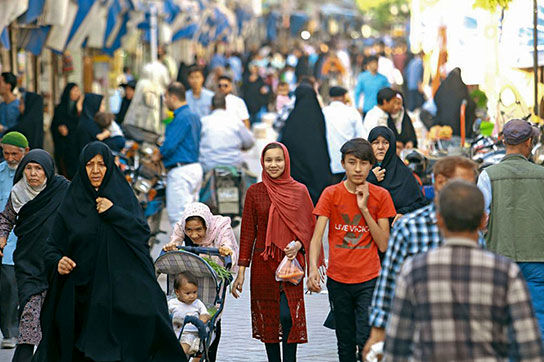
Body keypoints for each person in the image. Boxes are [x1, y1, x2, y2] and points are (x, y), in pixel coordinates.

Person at [33, 142, 186, 362]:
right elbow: (51, 247)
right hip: (81, 288)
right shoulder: (71, 201)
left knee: (149, 314)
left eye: (101, 165)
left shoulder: (121, 196)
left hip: (120, 283)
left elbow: (141, 233)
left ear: (110, 167)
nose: (95, 171)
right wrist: (58, 261)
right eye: (89, 165)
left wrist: (114, 212)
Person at [383, 180, 544, 361]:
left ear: (439, 220)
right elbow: (530, 349)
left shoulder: (413, 271)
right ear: (483, 220)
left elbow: (396, 347)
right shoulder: (506, 273)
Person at [363, 156, 479, 358]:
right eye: (463, 186)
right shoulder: (410, 227)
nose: (468, 195)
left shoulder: (473, 230)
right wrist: (377, 334)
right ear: (440, 182)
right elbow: (389, 281)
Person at [307, 138, 396, 362]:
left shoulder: (381, 196)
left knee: (367, 341)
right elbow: (317, 236)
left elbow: (384, 243)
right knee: (345, 343)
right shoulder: (331, 194)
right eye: (352, 162)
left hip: (369, 279)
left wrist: (364, 208)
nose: (358, 169)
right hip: (339, 279)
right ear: (343, 164)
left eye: (364, 163)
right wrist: (312, 269)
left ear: (371, 165)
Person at [232, 142, 316, 362]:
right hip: (263, 263)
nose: (273, 164)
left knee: (288, 316)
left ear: (286, 161)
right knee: (269, 319)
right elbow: (248, 232)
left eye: (278, 159)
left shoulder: (299, 191)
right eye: (268, 160)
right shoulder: (255, 192)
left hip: (291, 262)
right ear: (262, 162)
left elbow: (310, 227)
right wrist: (241, 272)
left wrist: (298, 244)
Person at [477, 118, 544, 340]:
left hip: (499, 255)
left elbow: (480, 219)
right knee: (538, 319)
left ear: (503, 141)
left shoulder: (488, 175)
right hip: (537, 257)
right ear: (529, 142)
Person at [0, 149, 69, 361]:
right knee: (29, 310)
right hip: (28, 262)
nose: (33, 173)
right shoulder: (18, 192)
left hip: (56, 263)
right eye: (28, 168)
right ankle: (23, 354)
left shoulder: (63, 189)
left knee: (53, 312)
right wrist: (2, 237)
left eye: (38, 168)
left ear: (47, 170)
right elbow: (6, 218)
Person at [163, 202, 238, 362]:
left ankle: (210, 355)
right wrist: (172, 246)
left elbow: (227, 245)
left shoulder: (220, 226)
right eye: (189, 230)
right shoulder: (180, 225)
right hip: (189, 272)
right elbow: (174, 241)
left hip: (212, 275)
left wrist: (224, 249)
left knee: (213, 321)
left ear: (207, 225)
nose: (194, 235)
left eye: (199, 229)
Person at [153, 82, 202, 226]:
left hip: (181, 172)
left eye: (166, 97)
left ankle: (183, 249)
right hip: (193, 168)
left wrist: (157, 155)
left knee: (179, 219)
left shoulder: (181, 118)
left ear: (173, 97)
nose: (165, 101)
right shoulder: (194, 116)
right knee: (192, 218)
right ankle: (193, 248)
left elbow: (169, 146)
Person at [280, 83, 332, 205]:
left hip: (296, 173)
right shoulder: (318, 115)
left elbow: (286, 140)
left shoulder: (292, 118)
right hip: (317, 169)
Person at [0, 133, 28, 350]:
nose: (10, 158)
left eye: (14, 153)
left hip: (22, 237)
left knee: (11, 283)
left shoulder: (33, 173)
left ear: (24, 152)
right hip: (2, 236)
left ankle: (11, 331)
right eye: (6, 153)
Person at [367, 127, 427, 217]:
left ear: (392, 146)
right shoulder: (362, 168)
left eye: (385, 143)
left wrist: (403, 213)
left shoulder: (403, 172)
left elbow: (420, 203)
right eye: (376, 142)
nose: (380, 147)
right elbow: (346, 191)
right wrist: (369, 178)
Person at [198, 94, 254, 173]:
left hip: (209, 166)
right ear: (225, 107)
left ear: (211, 107)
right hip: (234, 165)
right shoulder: (235, 121)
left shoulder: (203, 122)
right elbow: (249, 142)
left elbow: (196, 143)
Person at [322, 86, 364, 184]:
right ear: (345, 96)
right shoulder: (352, 112)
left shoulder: (324, 112)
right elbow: (361, 136)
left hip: (328, 161)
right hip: (350, 161)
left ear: (330, 97)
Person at [168, 272, 210, 360]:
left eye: (194, 292)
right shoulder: (172, 303)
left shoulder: (197, 303)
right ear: (177, 292)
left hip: (190, 333)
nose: (192, 296)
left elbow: (205, 314)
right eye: (187, 293)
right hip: (173, 332)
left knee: (182, 349)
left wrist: (199, 321)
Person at [70, 93, 108, 178]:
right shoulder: (87, 125)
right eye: (101, 105)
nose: (103, 108)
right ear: (94, 105)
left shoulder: (92, 123)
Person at [433, 67, 476, 137]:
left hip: (443, 127)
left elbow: (435, 98)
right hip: (459, 128)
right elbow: (471, 105)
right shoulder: (461, 87)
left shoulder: (443, 86)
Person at [51, 83, 82, 177]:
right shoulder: (60, 108)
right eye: (75, 90)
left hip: (76, 147)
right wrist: (59, 128)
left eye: (78, 90)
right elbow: (53, 125)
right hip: (63, 147)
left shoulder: (80, 109)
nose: (77, 93)